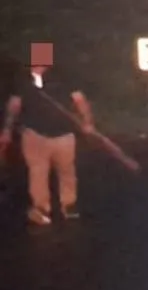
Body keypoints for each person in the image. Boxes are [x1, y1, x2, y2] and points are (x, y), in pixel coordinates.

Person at [1, 43, 95, 225]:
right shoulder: (23, 80)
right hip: (34, 134)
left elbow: (80, 100)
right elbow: (14, 105)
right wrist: (7, 129)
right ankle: (41, 208)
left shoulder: (63, 78)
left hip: (63, 135)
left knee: (66, 170)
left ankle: (69, 204)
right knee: (37, 172)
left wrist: (88, 122)